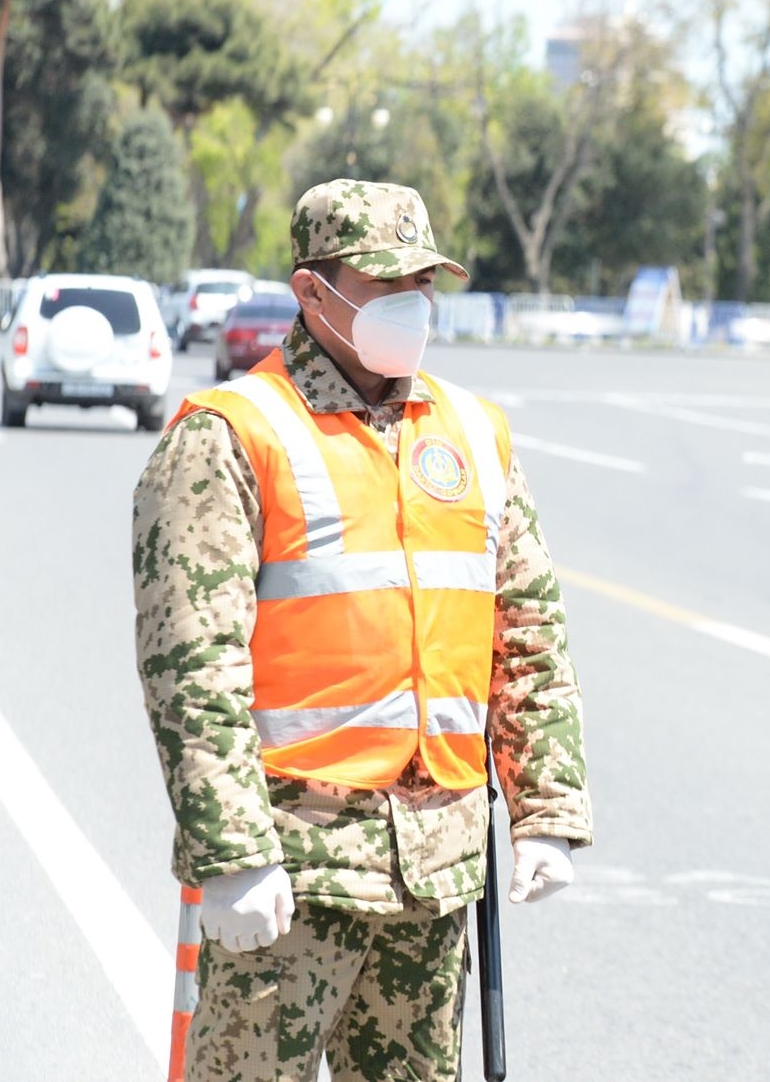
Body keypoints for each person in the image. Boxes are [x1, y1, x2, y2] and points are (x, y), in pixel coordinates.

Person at [133, 179, 593, 1082]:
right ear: (312, 292)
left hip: (434, 873)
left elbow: (528, 633)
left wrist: (546, 809)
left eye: (423, 282)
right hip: (291, 870)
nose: (411, 304)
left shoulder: (474, 432)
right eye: (384, 283)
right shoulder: (232, 433)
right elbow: (191, 665)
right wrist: (232, 854)